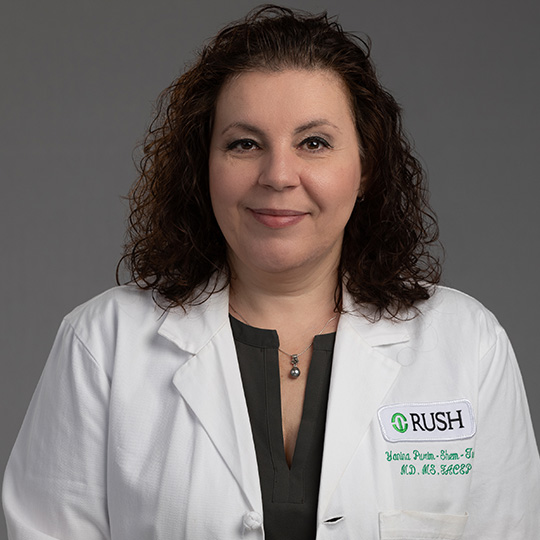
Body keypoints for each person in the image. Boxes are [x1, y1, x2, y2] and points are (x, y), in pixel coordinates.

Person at [3, 5, 539, 539]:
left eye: (314, 143)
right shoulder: (103, 344)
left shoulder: (467, 345)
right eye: (244, 143)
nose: (279, 175)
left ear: (366, 166)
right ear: (204, 166)